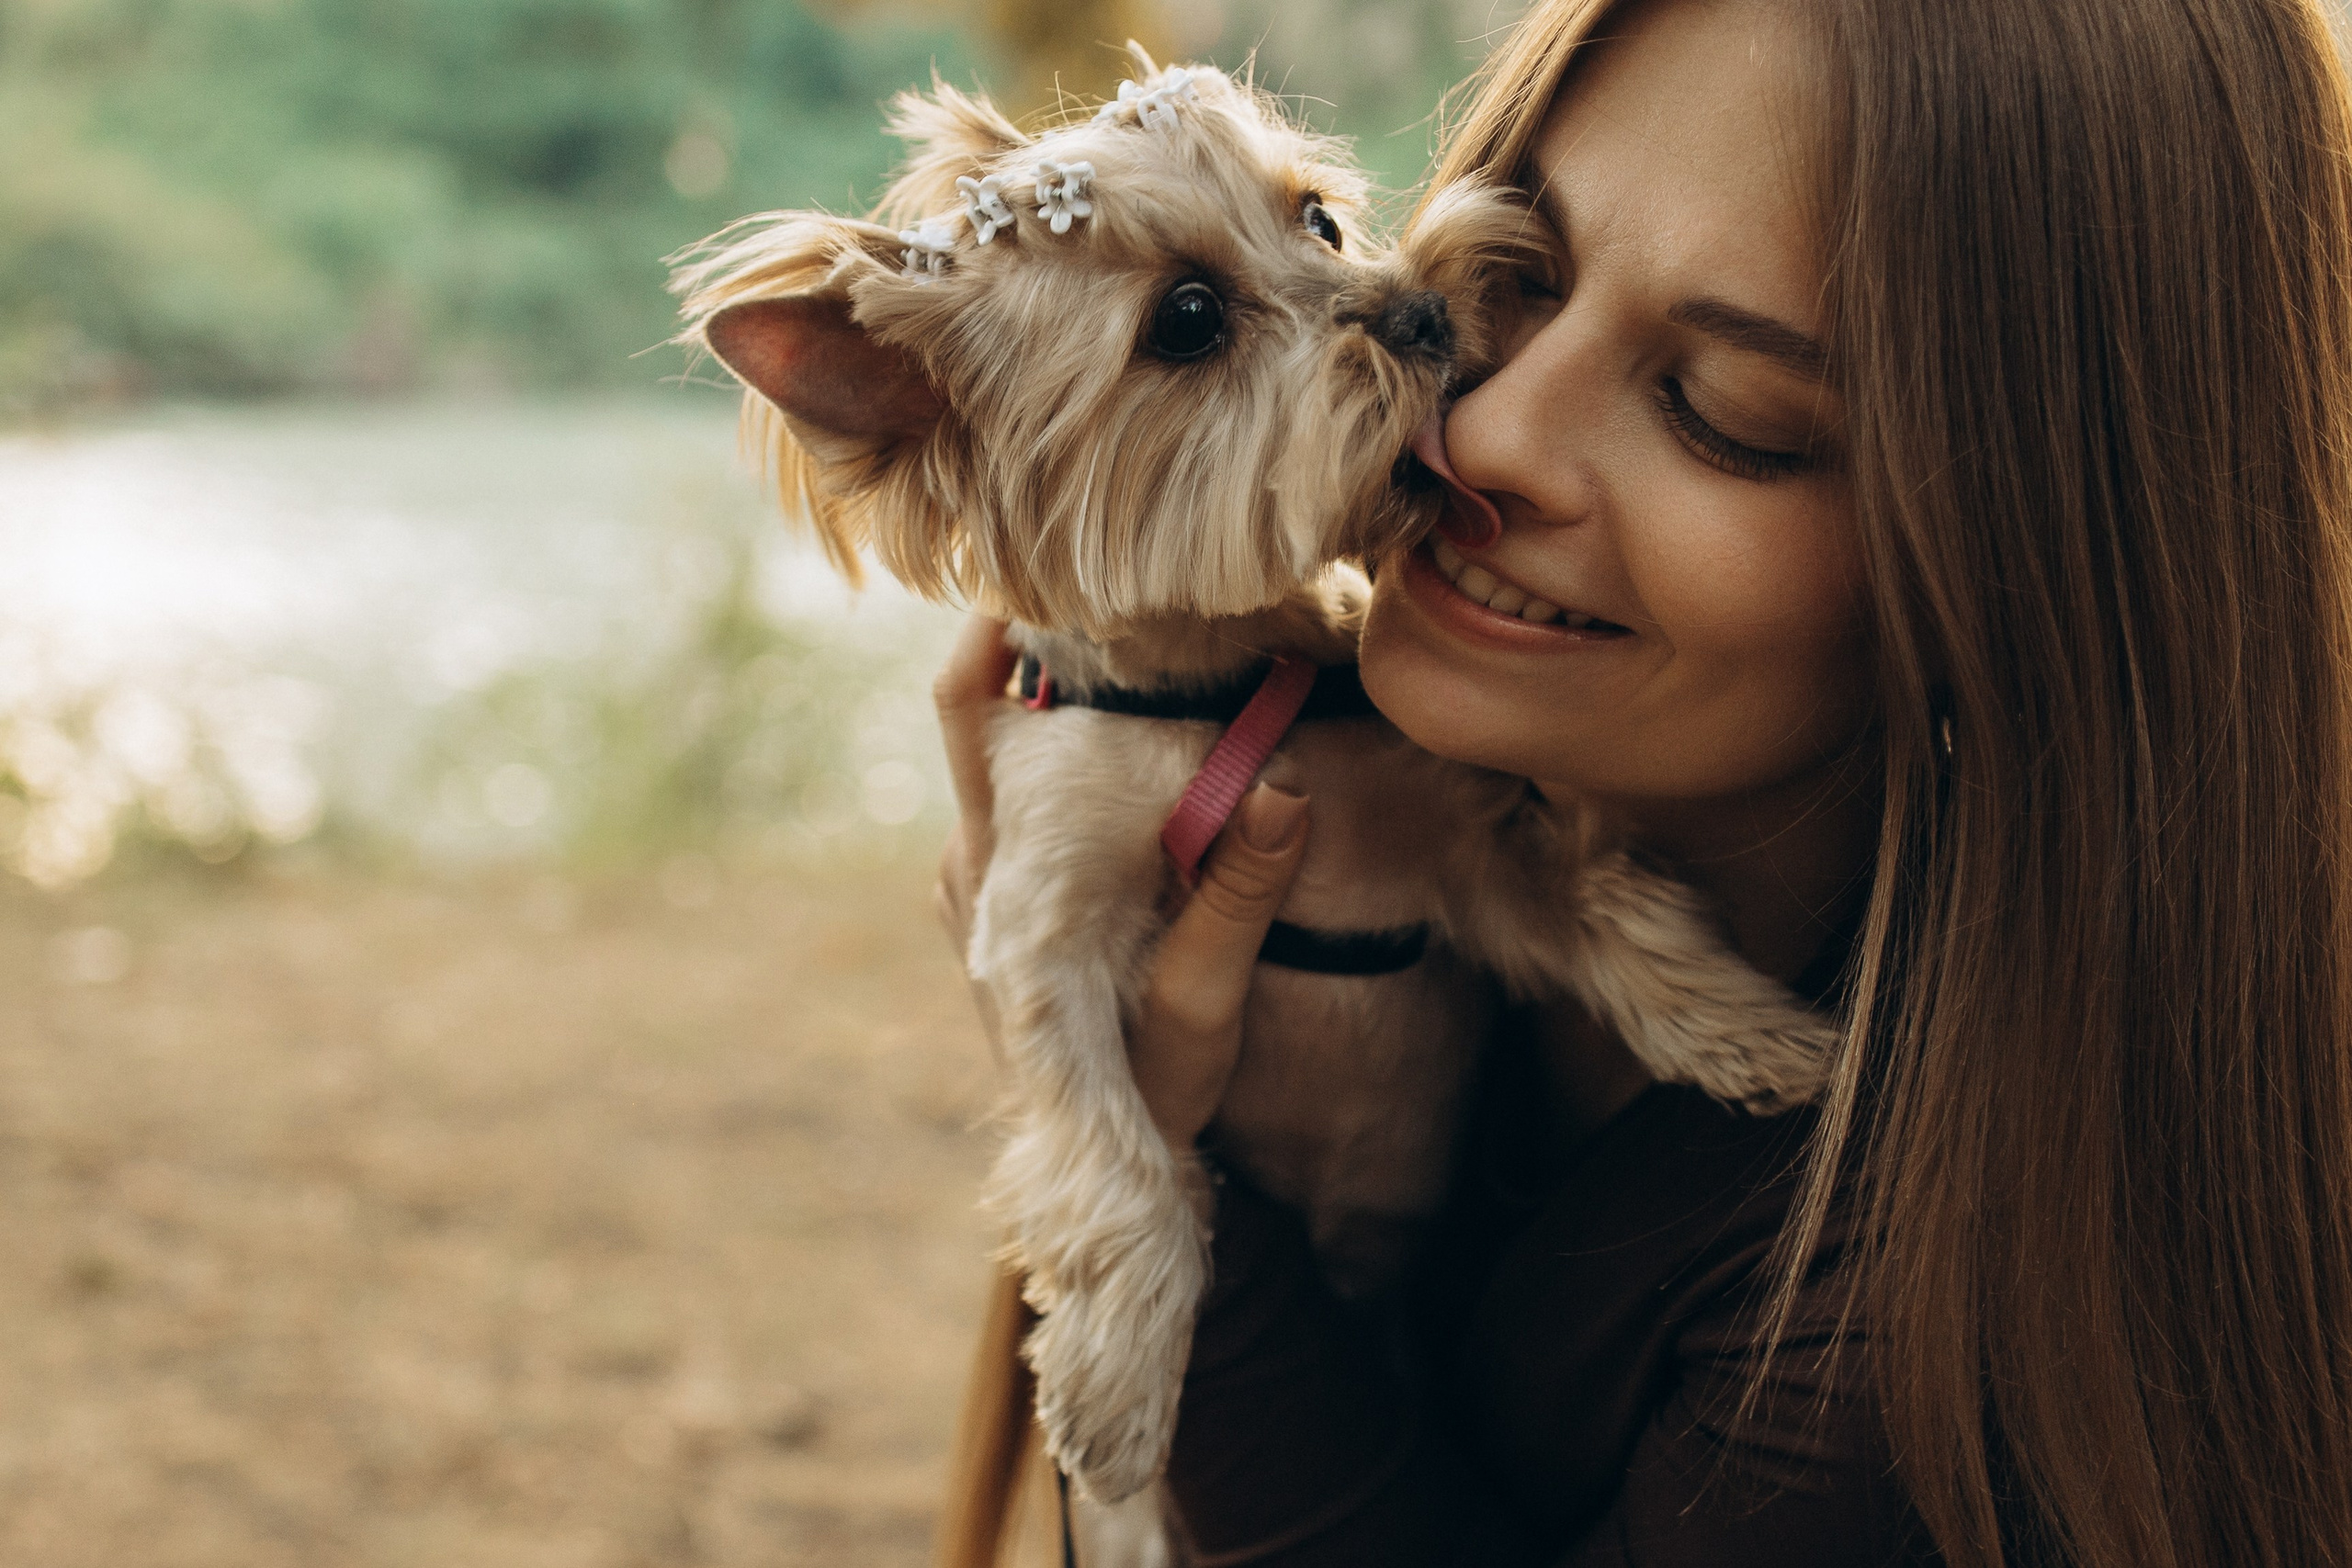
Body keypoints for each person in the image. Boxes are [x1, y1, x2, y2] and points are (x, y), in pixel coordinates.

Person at [933, 0, 2352, 1561]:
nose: (1477, 426)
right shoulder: (1304, 779)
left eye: (1726, 412)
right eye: (1520, 278)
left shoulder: (1927, 1326)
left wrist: (1197, 1234)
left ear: (2039, 577)